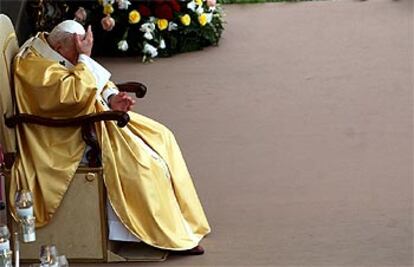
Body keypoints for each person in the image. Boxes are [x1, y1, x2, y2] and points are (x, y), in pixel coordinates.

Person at [9, 20, 210, 254]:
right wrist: (83, 59)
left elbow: (87, 76)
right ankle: (151, 232)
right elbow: (73, 96)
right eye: (78, 53)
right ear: (62, 48)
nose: (79, 58)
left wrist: (112, 96)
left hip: (90, 116)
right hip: (59, 137)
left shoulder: (54, 46)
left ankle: (181, 220)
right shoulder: (35, 68)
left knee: (162, 136)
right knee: (142, 163)